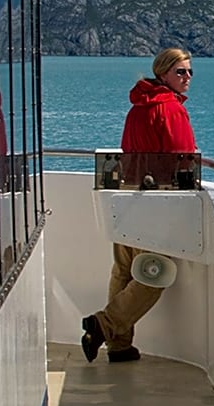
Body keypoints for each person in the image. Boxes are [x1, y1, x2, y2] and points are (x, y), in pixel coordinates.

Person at [81, 48, 196, 363]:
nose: (187, 78)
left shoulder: (137, 108)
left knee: (124, 269)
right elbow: (182, 156)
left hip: (127, 194)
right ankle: (104, 324)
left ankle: (119, 346)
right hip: (157, 200)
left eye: (189, 72)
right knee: (154, 274)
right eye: (180, 72)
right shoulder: (170, 109)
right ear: (163, 73)